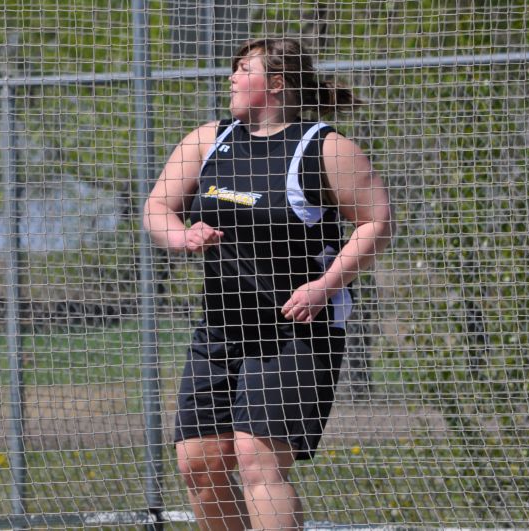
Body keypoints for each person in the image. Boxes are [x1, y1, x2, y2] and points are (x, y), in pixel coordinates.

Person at [143, 38, 393, 530]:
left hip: (293, 330)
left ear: (275, 83)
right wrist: (183, 236)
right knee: (198, 465)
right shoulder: (208, 139)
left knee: (258, 460)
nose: (231, 78)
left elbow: (376, 222)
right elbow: (157, 208)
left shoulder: (323, 147)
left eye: (243, 69)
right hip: (221, 327)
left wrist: (325, 285)